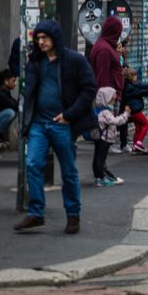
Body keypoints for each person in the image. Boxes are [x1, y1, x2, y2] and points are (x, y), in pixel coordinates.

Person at [14, 20, 96, 235]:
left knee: (68, 172)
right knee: (33, 163)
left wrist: (69, 116)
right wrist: (26, 123)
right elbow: (29, 94)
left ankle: (73, 215)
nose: (40, 42)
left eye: (45, 38)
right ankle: (36, 213)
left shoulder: (73, 60)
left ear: (55, 38)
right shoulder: (35, 62)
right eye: (38, 38)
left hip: (62, 124)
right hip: (39, 124)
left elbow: (89, 90)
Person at [90, 87, 128, 187]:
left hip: (99, 137)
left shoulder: (98, 110)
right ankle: (100, 178)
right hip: (104, 139)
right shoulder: (105, 112)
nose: (113, 102)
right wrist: (125, 114)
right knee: (101, 158)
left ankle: (100, 176)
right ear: (106, 99)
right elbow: (115, 121)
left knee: (98, 157)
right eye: (112, 99)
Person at [88, 17, 125, 96]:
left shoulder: (105, 46)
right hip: (109, 97)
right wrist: (106, 101)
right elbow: (102, 76)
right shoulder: (105, 50)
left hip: (110, 95)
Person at [122, 67, 148, 153]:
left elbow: (141, 87)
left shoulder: (130, 84)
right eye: (135, 76)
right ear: (131, 76)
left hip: (134, 109)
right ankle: (139, 143)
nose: (136, 77)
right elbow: (139, 92)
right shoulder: (129, 87)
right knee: (147, 125)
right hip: (135, 110)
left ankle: (135, 146)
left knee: (138, 128)